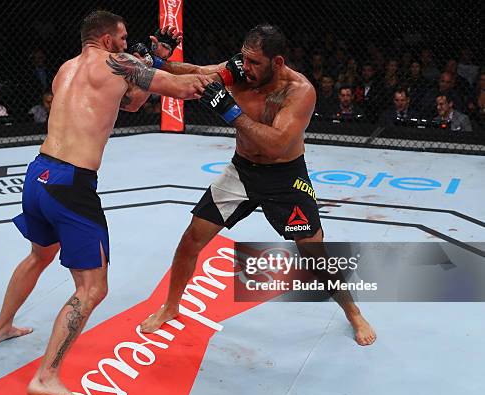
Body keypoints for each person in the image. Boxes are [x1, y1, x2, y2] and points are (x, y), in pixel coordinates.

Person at [0, 10, 212, 395]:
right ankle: (47, 375)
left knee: (39, 255)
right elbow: (184, 87)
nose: (127, 45)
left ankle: (1, 328)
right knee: (93, 288)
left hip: (38, 174)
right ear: (107, 39)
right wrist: (224, 77)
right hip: (71, 185)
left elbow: (129, 104)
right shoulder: (119, 63)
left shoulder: (65, 68)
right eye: (123, 39)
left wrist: (150, 59)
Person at [140, 24, 376, 347]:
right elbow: (195, 72)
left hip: (285, 178)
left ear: (277, 63)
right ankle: (171, 306)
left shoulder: (299, 91)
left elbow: (278, 143)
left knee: (315, 255)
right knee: (191, 238)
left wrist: (230, 111)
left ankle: (353, 312)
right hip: (242, 172)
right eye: (244, 59)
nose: (245, 67)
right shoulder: (240, 71)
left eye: (254, 63)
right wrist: (158, 61)